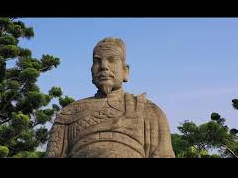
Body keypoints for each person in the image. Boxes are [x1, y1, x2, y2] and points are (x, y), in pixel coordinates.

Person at [46, 37, 175, 158]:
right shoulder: (68, 114)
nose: (103, 66)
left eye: (112, 60)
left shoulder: (149, 111)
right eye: (97, 61)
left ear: (125, 71)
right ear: (91, 70)